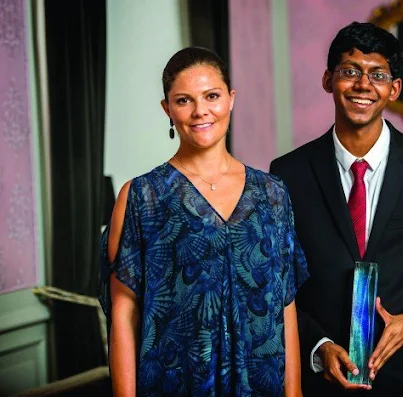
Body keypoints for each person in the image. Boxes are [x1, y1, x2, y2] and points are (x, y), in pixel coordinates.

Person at [270, 22, 403, 396]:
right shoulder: (287, 174)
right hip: (321, 382)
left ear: (394, 89)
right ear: (328, 80)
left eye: (377, 75)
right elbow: (277, 289)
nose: (362, 85)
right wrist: (319, 348)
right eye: (350, 71)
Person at [99, 47, 308, 397]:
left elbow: (284, 304)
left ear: (231, 99)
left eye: (212, 96)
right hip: (176, 385)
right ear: (167, 109)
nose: (200, 111)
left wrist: (295, 392)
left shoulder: (273, 194)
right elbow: (123, 314)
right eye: (184, 100)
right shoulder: (142, 196)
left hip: (260, 386)